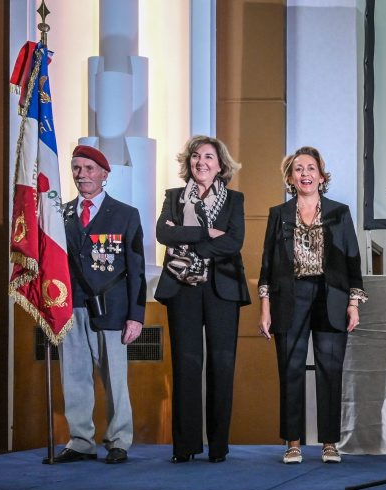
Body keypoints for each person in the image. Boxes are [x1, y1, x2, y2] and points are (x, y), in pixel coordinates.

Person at [257, 147, 366, 465]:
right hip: (289, 296)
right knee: (290, 369)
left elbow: (353, 260)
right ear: (290, 177)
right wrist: (265, 306)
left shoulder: (339, 212)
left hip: (331, 296)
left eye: (311, 168)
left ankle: (329, 443)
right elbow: (267, 264)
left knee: (330, 370)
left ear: (321, 175)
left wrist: (353, 303)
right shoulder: (279, 214)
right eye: (298, 169)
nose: (305, 173)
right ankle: (292, 443)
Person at [155, 136, 250, 463]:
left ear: (220, 165)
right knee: (186, 364)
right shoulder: (173, 197)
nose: (201, 162)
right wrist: (207, 233)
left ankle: (218, 446)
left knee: (222, 365)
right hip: (181, 287)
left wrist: (185, 241)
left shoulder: (234, 200)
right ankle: (185, 446)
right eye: (196, 156)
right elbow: (163, 234)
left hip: (223, 288)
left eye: (209, 157)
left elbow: (234, 242)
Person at [50, 145, 146, 464]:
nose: (82, 175)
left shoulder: (125, 214)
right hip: (69, 306)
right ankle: (80, 441)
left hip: (113, 309)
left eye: (89, 168)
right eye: (76, 168)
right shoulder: (59, 214)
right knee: (74, 377)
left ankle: (118, 440)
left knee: (115, 380)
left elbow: (136, 269)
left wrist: (136, 316)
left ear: (105, 175)